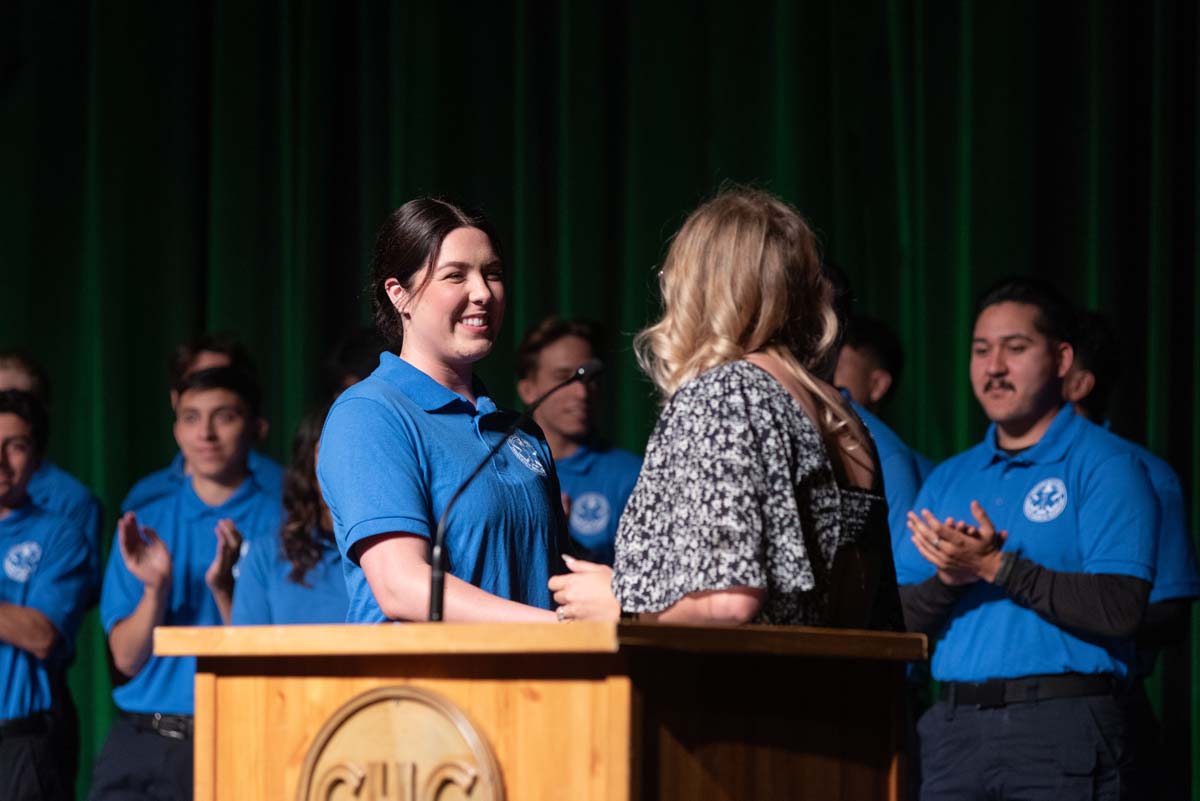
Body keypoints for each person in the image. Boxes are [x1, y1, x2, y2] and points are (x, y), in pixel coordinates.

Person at [552, 188, 901, 629]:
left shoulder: (727, 395)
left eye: (672, 276)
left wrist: (621, 605)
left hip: (728, 673)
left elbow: (729, 601)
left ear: (703, 288)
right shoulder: (838, 413)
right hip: (818, 672)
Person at [895, 278, 1158, 799]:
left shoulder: (1107, 465)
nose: (994, 367)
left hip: (1061, 725)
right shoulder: (950, 477)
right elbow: (896, 621)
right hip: (954, 729)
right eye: (981, 350)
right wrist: (950, 578)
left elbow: (1121, 607)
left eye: (1015, 348)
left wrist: (998, 566)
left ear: (1062, 360)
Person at [317, 198, 564, 624]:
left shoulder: (521, 431)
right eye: (455, 275)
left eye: (493, 274)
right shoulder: (370, 414)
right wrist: (556, 630)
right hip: (428, 671)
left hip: (539, 668)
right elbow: (402, 587)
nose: (483, 293)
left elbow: (558, 581)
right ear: (400, 294)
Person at [89, 367, 283, 801]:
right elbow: (126, 658)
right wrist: (155, 590)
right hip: (144, 740)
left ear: (256, 428)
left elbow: (280, 660)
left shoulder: (284, 523)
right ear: (176, 430)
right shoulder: (146, 522)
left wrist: (226, 591)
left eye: (224, 416)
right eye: (192, 418)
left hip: (242, 735)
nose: (206, 434)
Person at [1063, 309, 1199, 801]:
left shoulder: (1144, 474)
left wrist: (1063, 618)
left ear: (1078, 382)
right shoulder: (987, 472)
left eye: (1028, 353)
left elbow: (1171, 613)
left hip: (1103, 708)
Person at [0, 389, 90, 801]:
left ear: (36, 459)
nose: (0, 460)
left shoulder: (58, 534)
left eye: (15, 446)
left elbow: (40, 635)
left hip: (18, 745)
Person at [514, 317, 642, 565]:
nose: (582, 392)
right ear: (528, 390)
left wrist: (564, 540)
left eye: (590, 378)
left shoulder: (631, 476)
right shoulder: (501, 468)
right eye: (565, 378)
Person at [120, 333, 283, 513]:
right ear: (176, 399)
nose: (208, 389)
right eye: (196, 381)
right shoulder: (147, 499)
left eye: (223, 379)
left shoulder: (279, 491)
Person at [232, 404, 349, 624]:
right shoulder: (267, 554)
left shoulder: (399, 553)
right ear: (308, 462)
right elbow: (246, 644)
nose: (348, 465)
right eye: (333, 450)